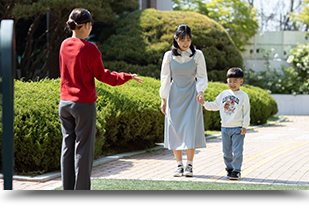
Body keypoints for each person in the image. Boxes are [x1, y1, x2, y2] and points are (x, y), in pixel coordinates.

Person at [59, 8, 143, 190]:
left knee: (67, 147)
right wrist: (127, 76)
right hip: (83, 105)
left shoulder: (64, 45)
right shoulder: (90, 49)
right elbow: (105, 77)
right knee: (83, 149)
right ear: (87, 25)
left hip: (64, 103)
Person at [160, 24, 208, 177]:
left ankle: (190, 165)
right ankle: (179, 165)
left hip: (191, 95)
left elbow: (202, 76)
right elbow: (165, 78)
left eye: (188, 39)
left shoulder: (198, 55)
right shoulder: (169, 55)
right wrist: (163, 99)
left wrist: (200, 92)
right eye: (182, 40)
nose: (186, 43)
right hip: (175, 96)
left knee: (190, 129)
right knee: (175, 129)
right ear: (176, 39)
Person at [203, 67, 250, 180]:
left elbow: (246, 112)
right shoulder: (224, 94)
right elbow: (215, 105)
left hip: (238, 128)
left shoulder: (243, 96)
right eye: (230, 81)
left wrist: (244, 126)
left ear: (241, 81)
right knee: (226, 152)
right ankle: (229, 169)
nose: (232, 84)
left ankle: (237, 170)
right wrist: (204, 103)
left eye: (235, 81)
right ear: (227, 81)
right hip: (225, 127)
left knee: (237, 151)